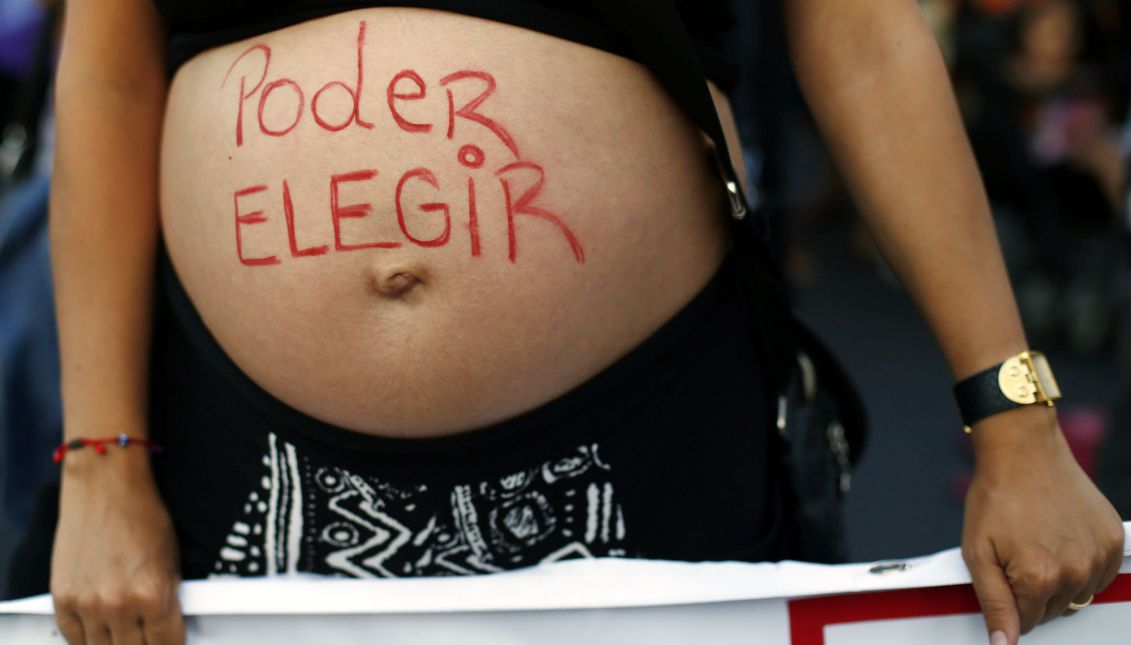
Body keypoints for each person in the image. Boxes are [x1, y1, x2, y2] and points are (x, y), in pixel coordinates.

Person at [31, 1, 1124, 644]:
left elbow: (863, 35)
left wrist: (1013, 415)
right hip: (243, 452)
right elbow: (109, 76)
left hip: (648, 431)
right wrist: (101, 461)